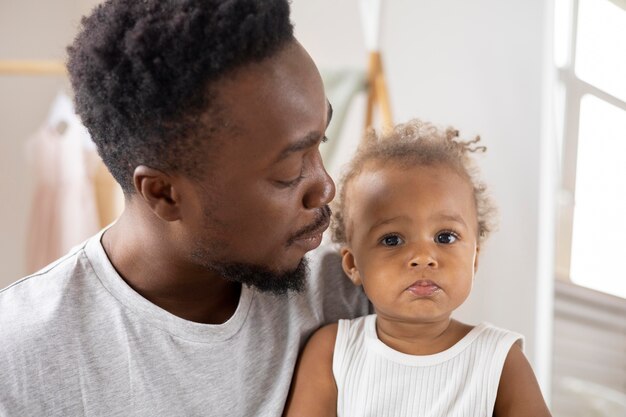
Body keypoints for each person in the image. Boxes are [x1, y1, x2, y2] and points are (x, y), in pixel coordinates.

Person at [0, 1, 370, 416]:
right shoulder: (19, 357)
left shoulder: (356, 293)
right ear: (163, 193)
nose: (325, 187)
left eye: (320, 141)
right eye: (288, 170)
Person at [284, 120, 552, 417]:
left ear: (474, 258)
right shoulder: (333, 352)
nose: (423, 257)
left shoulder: (501, 360)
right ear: (353, 265)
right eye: (392, 239)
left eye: (445, 237)